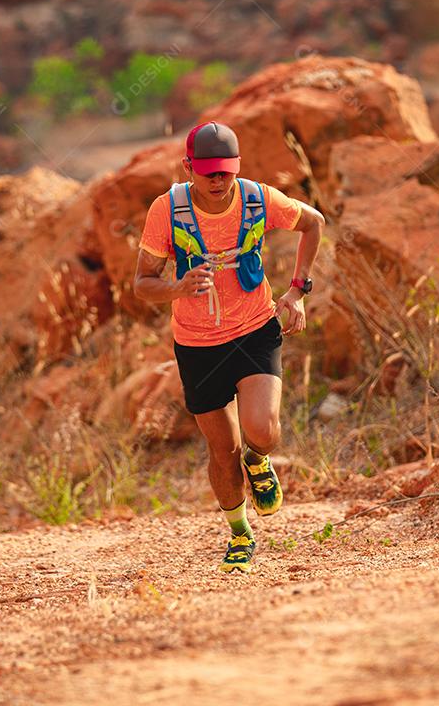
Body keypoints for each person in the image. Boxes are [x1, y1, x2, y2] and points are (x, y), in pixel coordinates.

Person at [133, 121, 324, 573]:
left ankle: (261, 462)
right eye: (209, 173)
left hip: (254, 329)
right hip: (197, 345)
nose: (219, 182)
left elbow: (314, 223)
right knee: (222, 451)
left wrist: (297, 291)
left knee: (262, 431)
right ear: (189, 168)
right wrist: (177, 288)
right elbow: (142, 284)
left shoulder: (258, 198)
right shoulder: (168, 209)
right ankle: (240, 534)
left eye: (227, 172)